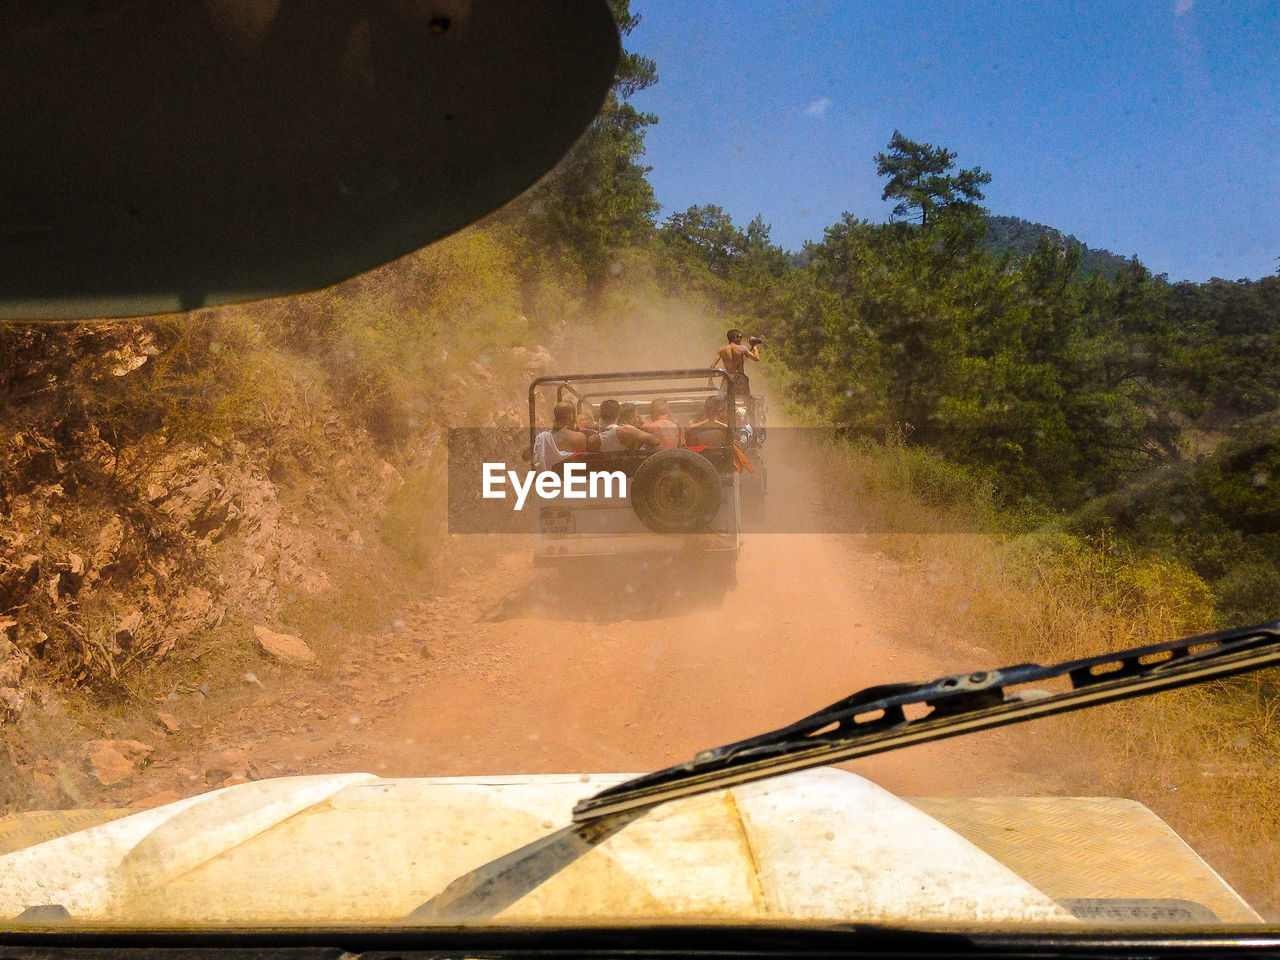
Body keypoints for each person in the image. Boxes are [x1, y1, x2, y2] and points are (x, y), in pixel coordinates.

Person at [533, 401, 588, 469]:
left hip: (548, 478)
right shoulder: (579, 437)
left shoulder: (542, 437)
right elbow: (582, 462)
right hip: (572, 478)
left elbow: (526, 457)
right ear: (571, 416)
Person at [594, 399, 659, 452]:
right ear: (618, 415)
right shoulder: (628, 430)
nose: (640, 420)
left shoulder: (593, 437)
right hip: (629, 466)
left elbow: (584, 465)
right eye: (637, 417)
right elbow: (655, 441)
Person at [711, 328, 760, 397]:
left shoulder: (721, 350)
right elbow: (756, 358)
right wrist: (754, 346)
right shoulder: (742, 348)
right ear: (734, 338)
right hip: (739, 377)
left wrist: (710, 380)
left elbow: (712, 366)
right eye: (739, 337)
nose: (741, 339)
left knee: (722, 398)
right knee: (745, 398)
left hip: (727, 377)